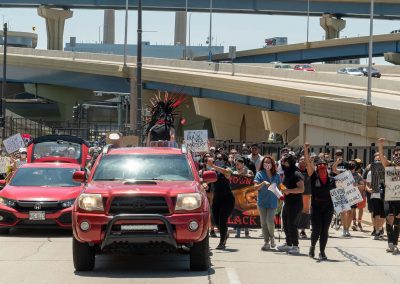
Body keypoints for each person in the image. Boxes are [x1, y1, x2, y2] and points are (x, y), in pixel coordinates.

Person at [304, 143, 335, 260]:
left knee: (325, 230)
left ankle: (322, 251)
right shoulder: (313, 176)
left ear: (327, 167)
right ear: (317, 167)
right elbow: (307, 163)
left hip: (328, 207)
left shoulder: (332, 179)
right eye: (320, 165)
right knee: (316, 229)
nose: (322, 166)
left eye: (324, 165)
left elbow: (340, 192)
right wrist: (306, 150)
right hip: (316, 206)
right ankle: (312, 247)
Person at [277, 151, 305, 255]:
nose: (282, 163)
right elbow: (285, 186)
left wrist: (288, 191)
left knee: (292, 224)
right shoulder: (287, 172)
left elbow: (301, 189)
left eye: (284, 161)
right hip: (287, 202)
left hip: (295, 203)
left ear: (289, 162)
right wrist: (281, 188)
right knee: (285, 222)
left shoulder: (296, 173)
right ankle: (288, 244)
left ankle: (295, 246)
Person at [206, 156, 235, 250]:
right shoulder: (210, 172)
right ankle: (225, 232)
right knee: (215, 220)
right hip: (217, 199)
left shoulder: (227, 169)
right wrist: (204, 184)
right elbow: (205, 182)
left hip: (227, 199)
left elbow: (228, 173)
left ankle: (222, 241)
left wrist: (214, 166)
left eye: (220, 159)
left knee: (222, 219)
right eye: (215, 160)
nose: (218, 161)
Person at [253, 155, 281, 250]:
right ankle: (266, 242)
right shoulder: (259, 174)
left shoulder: (276, 175)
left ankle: (272, 237)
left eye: (269, 162)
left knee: (270, 221)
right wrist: (263, 183)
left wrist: (284, 192)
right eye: (265, 162)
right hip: (262, 202)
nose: (267, 164)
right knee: (263, 222)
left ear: (272, 164)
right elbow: (255, 187)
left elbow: (280, 186)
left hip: (273, 202)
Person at [378, 138, 400, 254]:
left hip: (399, 198)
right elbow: (382, 157)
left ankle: (395, 244)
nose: (398, 156)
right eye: (396, 154)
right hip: (389, 197)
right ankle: (390, 243)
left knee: (397, 220)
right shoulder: (389, 165)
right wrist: (381, 146)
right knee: (389, 218)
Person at [365, 152, 385, 240]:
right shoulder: (370, 172)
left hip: (385, 195)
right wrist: (368, 189)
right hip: (375, 195)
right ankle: (377, 231)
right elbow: (367, 184)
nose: (377, 162)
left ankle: (380, 228)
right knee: (376, 214)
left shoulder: (387, 170)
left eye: (379, 160)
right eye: (376, 160)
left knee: (384, 215)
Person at [233, 157, 254, 238]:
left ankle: (247, 232)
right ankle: (238, 233)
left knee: (246, 214)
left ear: (242, 164)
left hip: (247, 197)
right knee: (238, 214)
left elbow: (253, 182)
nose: (237, 166)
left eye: (238, 164)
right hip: (237, 197)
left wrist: (246, 175)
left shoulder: (249, 172)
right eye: (236, 164)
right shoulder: (234, 172)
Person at [297, 155, 312, 239]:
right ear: (298, 161)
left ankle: (302, 230)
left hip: (307, 193)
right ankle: (295, 229)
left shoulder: (309, 170)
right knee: (297, 211)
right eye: (301, 160)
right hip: (296, 193)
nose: (303, 161)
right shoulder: (295, 170)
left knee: (305, 211)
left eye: (304, 160)